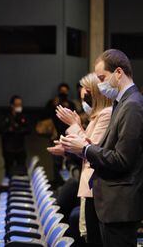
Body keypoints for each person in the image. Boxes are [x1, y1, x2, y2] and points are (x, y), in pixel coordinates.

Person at [60, 49, 143, 247]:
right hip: (113, 203)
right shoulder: (124, 103)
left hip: (121, 204)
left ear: (119, 72)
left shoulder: (133, 105)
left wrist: (84, 149)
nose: (100, 85)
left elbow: (122, 159)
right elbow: (109, 149)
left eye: (102, 77)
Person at [49, 73, 112, 246]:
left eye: (87, 93)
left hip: (94, 187)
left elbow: (92, 150)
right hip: (88, 186)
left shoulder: (105, 115)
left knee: (91, 238)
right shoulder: (95, 118)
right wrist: (68, 149)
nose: (84, 97)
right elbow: (86, 147)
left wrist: (74, 126)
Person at [45, 83, 76, 187]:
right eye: (61, 91)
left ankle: (67, 184)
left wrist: (68, 107)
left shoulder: (70, 103)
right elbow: (45, 115)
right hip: (55, 134)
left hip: (68, 135)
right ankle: (57, 182)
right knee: (56, 161)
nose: (63, 93)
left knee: (69, 160)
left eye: (65, 91)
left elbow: (74, 117)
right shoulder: (52, 102)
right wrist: (53, 105)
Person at [0, 95, 29, 186]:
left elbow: (28, 130)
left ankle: (21, 189)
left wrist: (19, 130)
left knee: (21, 170)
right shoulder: (6, 117)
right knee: (9, 170)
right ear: (12, 105)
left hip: (20, 147)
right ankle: (9, 189)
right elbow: (0, 130)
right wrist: (10, 130)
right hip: (9, 148)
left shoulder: (23, 117)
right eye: (17, 104)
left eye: (20, 104)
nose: (19, 107)